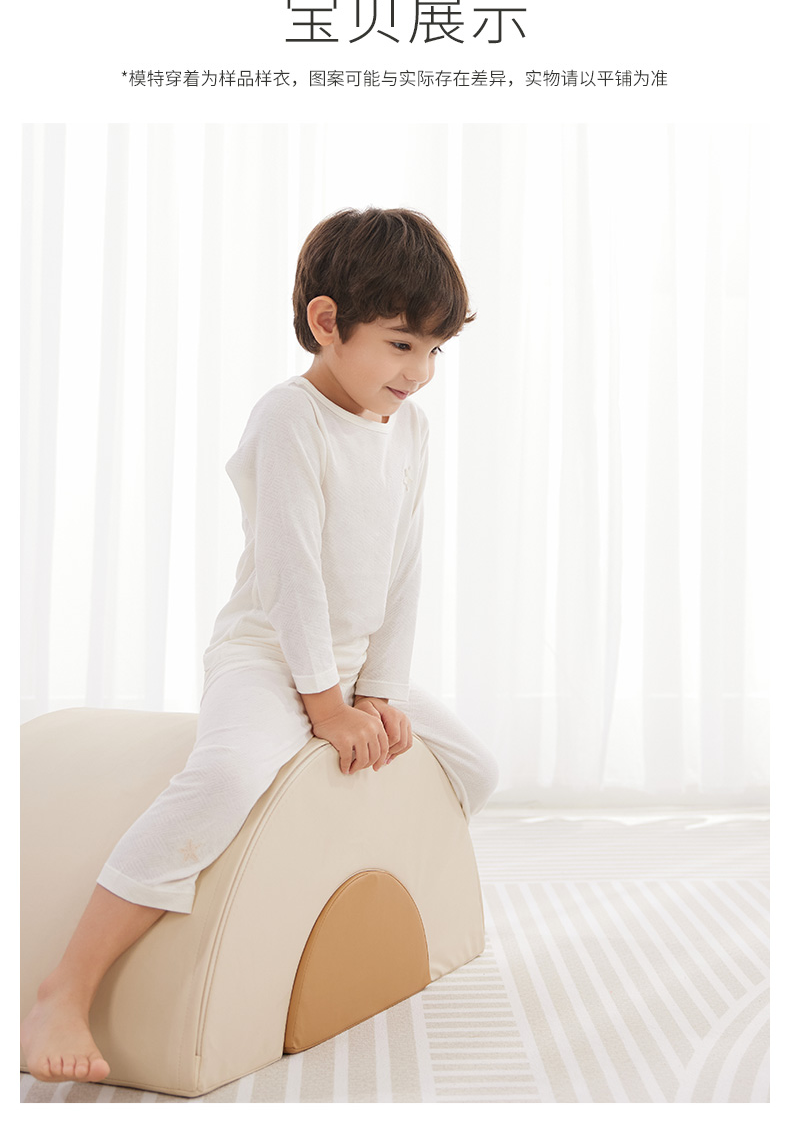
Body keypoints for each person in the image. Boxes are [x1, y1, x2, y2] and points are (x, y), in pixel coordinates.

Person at [21, 206, 499, 1084]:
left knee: (474, 763)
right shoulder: (289, 418)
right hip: (270, 659)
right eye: (401, 344)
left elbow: (405, 570)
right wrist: (325, 705)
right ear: (327, 322)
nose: (420, 372)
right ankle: (67, 985)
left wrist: (380, 693)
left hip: (351, 667)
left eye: (436, 349)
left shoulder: (411, 430)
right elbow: (289, 576)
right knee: (226, 779)